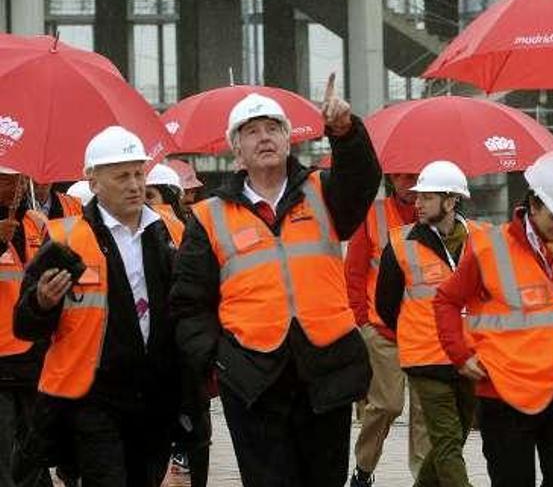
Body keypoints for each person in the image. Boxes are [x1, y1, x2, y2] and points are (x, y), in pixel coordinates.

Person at [170, 75, 381, 487]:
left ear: (288, 142)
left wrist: (345, 132)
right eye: (251, 132)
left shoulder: (323, 190)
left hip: (326, 369)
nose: (264, 138)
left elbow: (362, 180)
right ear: (237, 151)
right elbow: (188, 304)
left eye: (273, 129)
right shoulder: (210, 216)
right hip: (253, 378)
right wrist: (217, 360)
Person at [14, 125, 183, 486]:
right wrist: (42, 303)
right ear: (93, 182)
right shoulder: (65, 238)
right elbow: (24, 325)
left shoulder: (170, 231)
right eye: (122, 176)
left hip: (155, 395)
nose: (135, 184)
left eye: (139, 173)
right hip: (94, 398)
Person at [434, 149, 553, 486]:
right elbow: (446, 300)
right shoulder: (490, 248)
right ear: (534, 204)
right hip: (505, 397)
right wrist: (460, 355)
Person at [374, 161, 479, 487]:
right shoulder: (400, 244)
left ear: (451, 201)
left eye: (427, 198)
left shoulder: (483, 239)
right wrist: (413, 332)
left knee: (454, 438)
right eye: (417, 197)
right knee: (448, 442)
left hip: (470, 357)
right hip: (425, 358)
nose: (416, 203)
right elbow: (386, 305)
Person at [347, 171, 426, 487]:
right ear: (391, 178)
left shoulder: (440, 214)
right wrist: (362, 322)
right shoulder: (374, 214)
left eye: (415, 176)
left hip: (424, 333)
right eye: (402, 176)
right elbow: (353, 271)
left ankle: (424, 477)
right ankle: (364, 468)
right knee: (386, 405)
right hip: (382, 331)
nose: (408, 182)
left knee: (424, 414)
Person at [0, 166, 50, 487]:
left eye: (18, 179)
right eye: (6, 180)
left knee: (35, 449)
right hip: (0, 359)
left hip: (33, 357)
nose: (15, 186)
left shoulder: (33, 222)